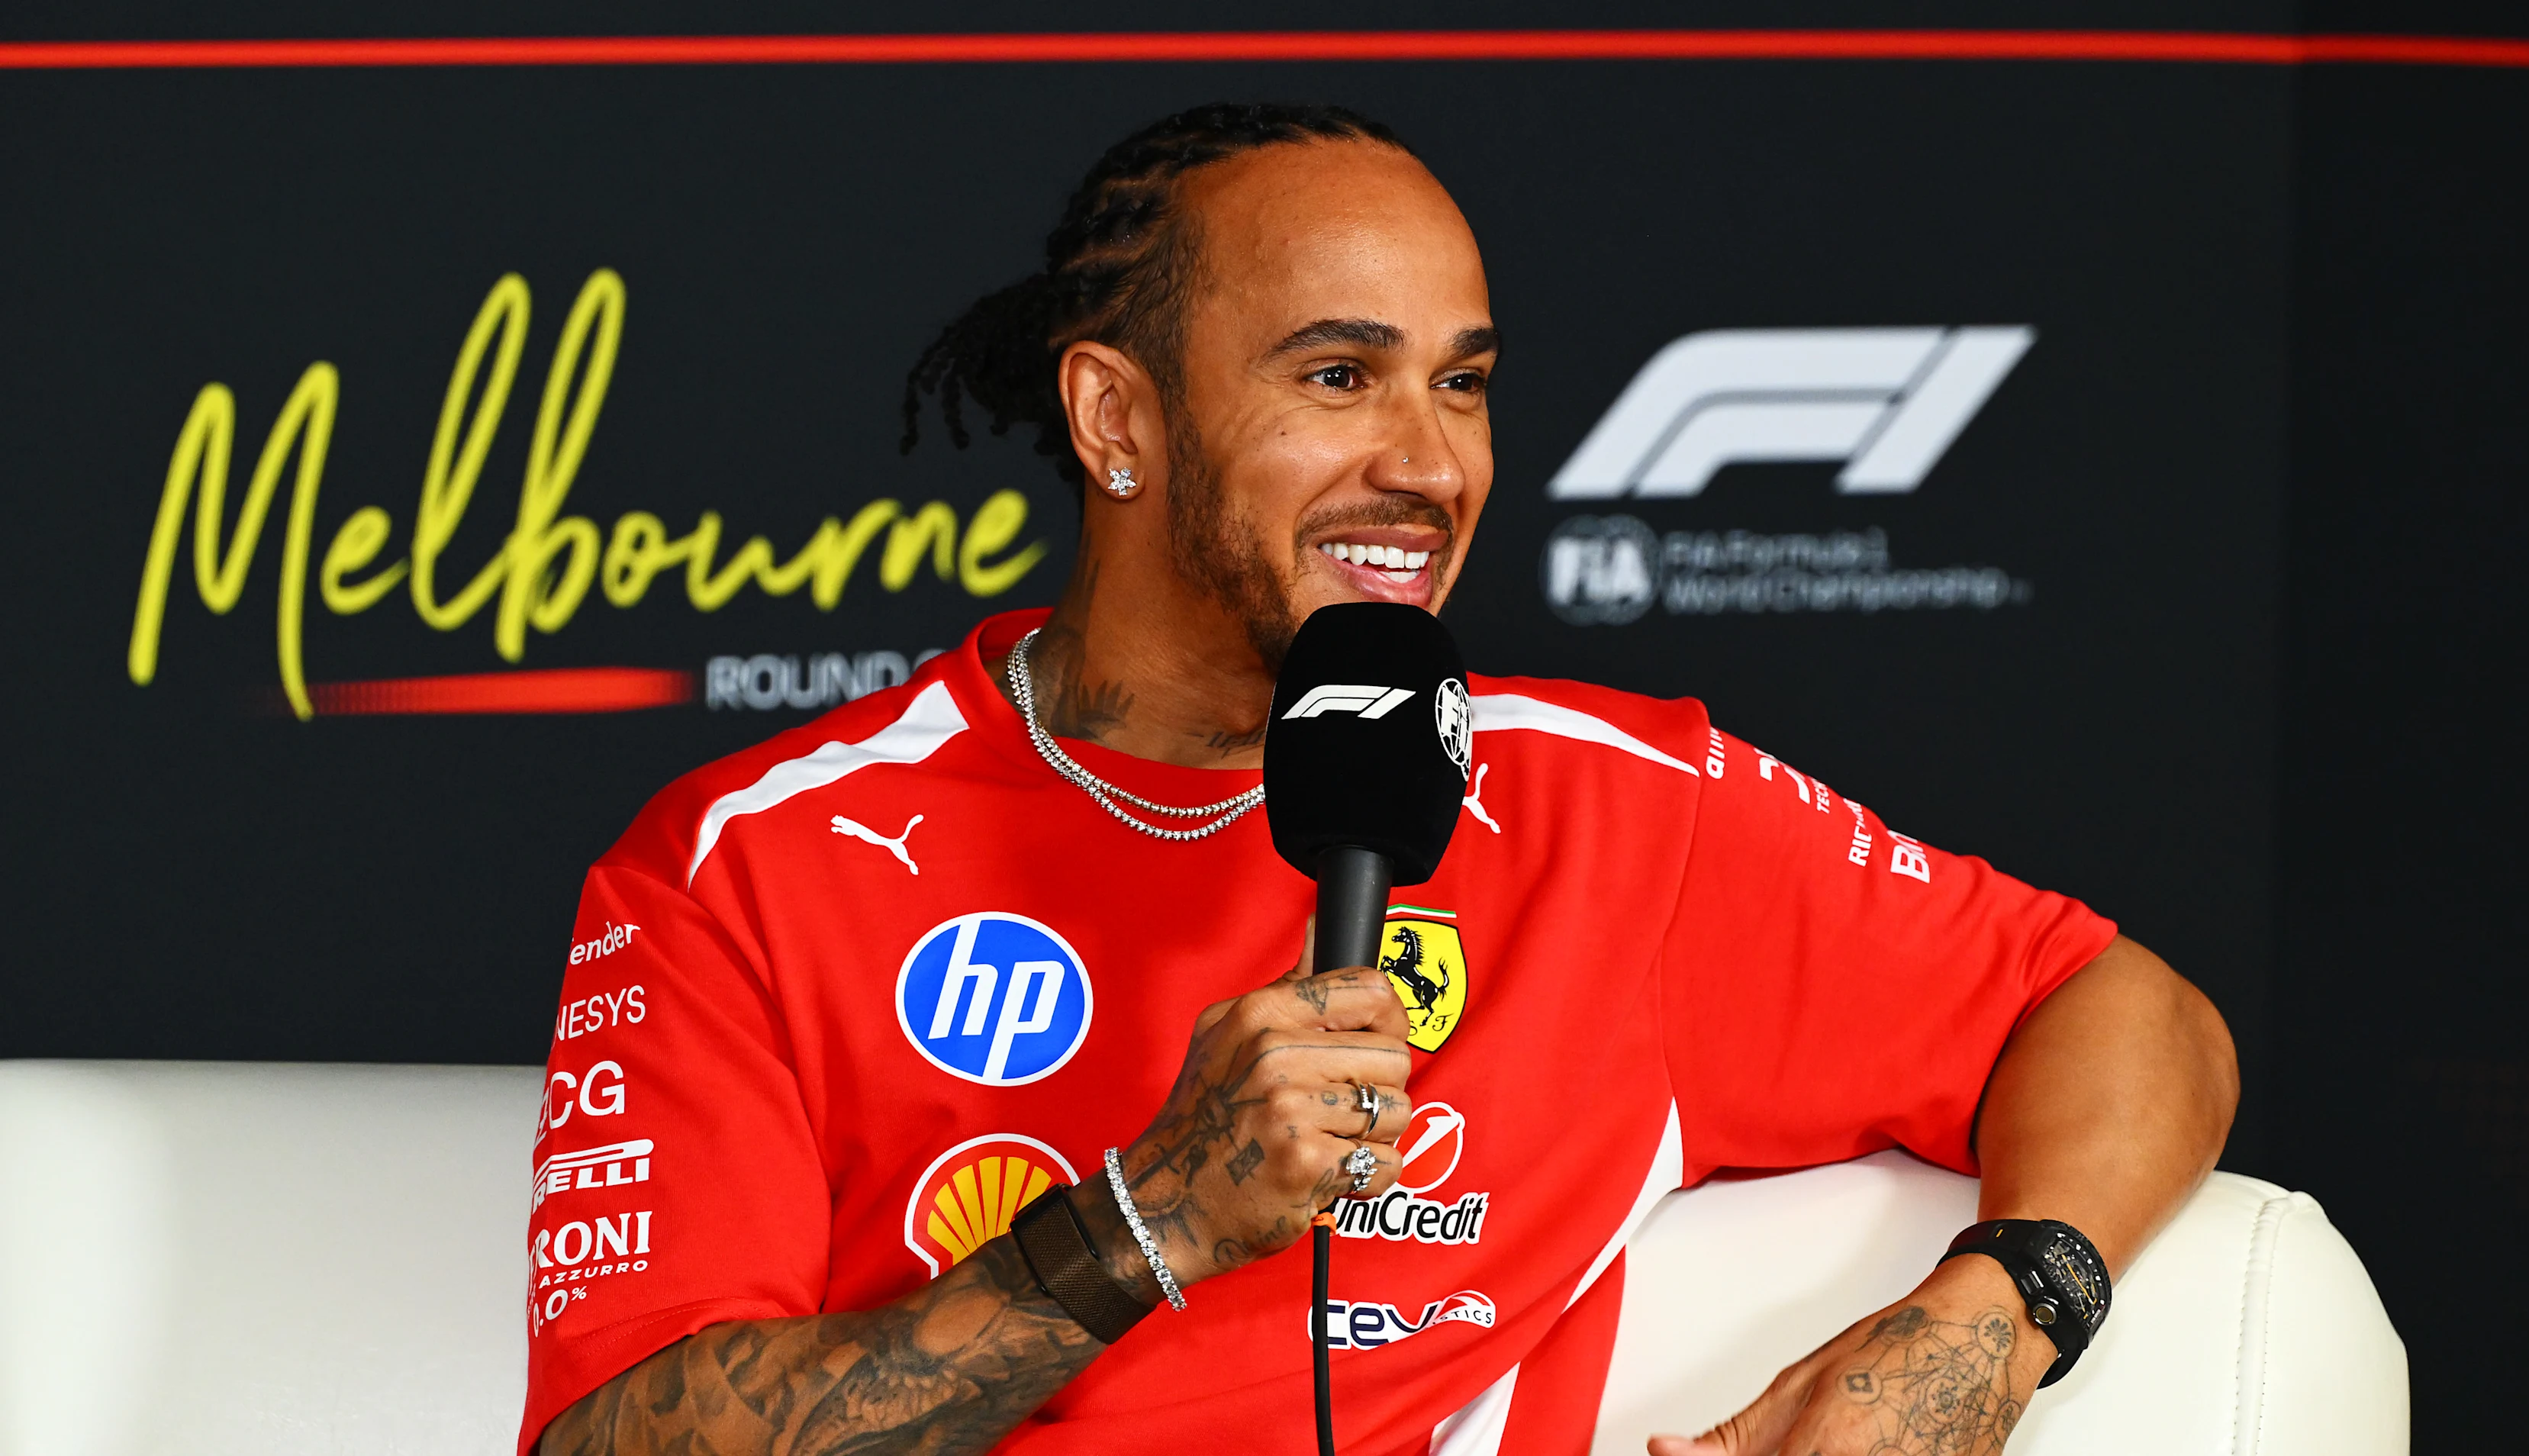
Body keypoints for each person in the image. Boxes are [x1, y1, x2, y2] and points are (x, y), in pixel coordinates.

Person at [523, 102, 2237, 1456]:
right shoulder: (743, 868)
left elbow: (2123, 1008)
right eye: (1338, 376)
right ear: (1117, 421)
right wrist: (1150, 1220)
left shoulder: (1616, 810)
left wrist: (1986, 1327)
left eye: (1464, 385)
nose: (1426, 465)